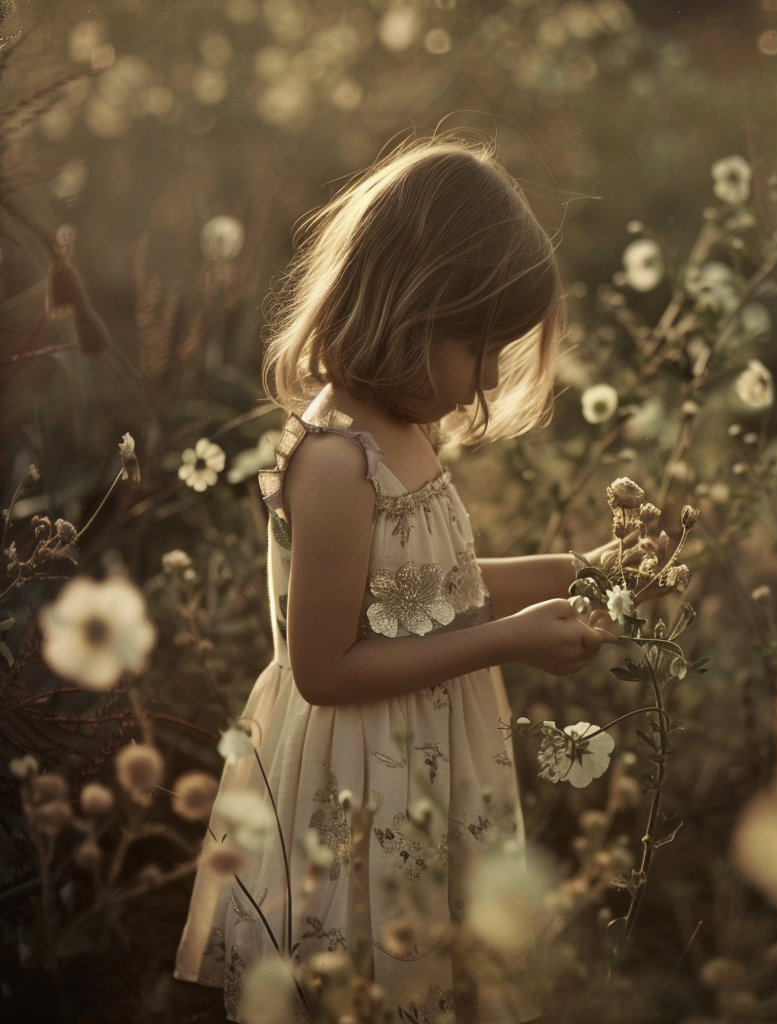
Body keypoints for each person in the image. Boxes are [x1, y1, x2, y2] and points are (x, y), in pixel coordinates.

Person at [174, 133, 658, 1024]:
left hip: (426, 765)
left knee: (435, 972)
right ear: (408, 307)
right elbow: (324, 671)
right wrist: (510, 639)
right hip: (357, 783)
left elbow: (430, 587)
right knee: (363, 978)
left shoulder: (406, 429)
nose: (486, 379)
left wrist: (578, 571)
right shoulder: (336, 462)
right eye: (477, 349)